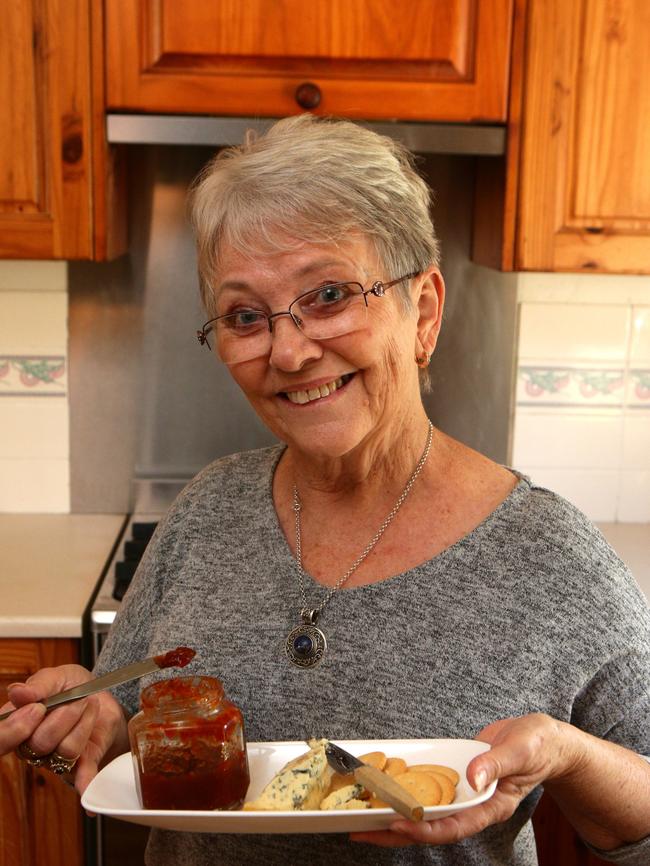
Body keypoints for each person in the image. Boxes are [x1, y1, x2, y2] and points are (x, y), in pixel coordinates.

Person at [2, 114, 650, 866]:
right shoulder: (208, 510)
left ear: (424, 313)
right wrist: (93, 720)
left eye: (331, 295)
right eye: (246, 316)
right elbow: (128, 714)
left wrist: (568, 755)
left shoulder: (549, 556)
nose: (287, 349)